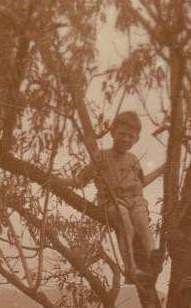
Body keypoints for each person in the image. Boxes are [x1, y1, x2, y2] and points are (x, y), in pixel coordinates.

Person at [64, 111, 163, 284]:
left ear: (137, 140)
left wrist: (162, 169)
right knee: (126, 225)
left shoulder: (133, 159)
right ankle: (131, 268)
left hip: (135, 199)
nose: (125, 139)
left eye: (130, 136)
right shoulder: (101, 156)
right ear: (113, 132)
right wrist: (59, 181)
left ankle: (154, 256)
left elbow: (141, 183)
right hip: (113, 201)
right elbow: (81, 180)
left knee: (141, 222)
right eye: (122, 134)